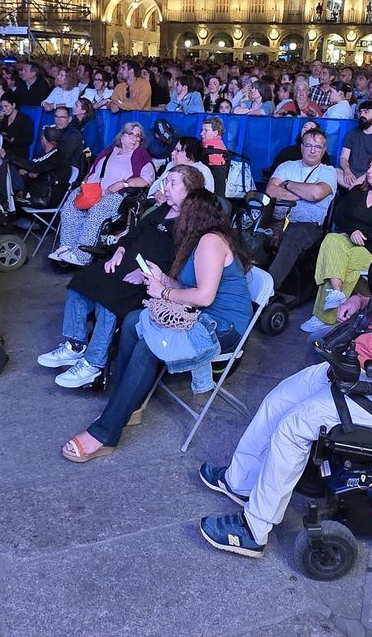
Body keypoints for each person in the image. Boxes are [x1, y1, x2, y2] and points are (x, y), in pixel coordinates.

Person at [196, 198, 372, 560]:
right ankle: (241, 482)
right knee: (279, 399)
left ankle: (255, 529)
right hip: (367, 371)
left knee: (294, 426)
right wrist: (363, 303)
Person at [62, 188, 252, 462]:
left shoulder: (210, 242)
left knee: (149, 347)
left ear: (194, 215)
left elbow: (204, 296)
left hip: (222, 327)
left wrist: (163, 293)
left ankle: (105, 433)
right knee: (131, 322)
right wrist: (162, 279)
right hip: (201, 314)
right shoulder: (196, 241)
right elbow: (190, 287)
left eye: (182, 213)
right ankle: (128, 404)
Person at [41, 164, 205, 389]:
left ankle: (93, 364)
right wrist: (118, 251)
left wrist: (146, 274)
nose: (165, 187)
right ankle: (74, 344)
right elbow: (133, 234)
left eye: (172, 183)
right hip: (125, 263)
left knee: (110, 299)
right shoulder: (160, 210)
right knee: (81, 282)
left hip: (149, 279)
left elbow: (179, 265)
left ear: (189, 191)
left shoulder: (189, 225)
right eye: (166, 181)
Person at [302, 153, 372, 332]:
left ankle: (325, 317)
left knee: (342, 260)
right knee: (332, 239)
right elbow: (339, 215)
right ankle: (337, 293)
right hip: (348, 240)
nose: (369, 171)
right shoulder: (359, 191)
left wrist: (363, 234)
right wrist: (352, 232)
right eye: (369, 166)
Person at [49, 122, 155, 267]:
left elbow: (146, 179)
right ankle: (66, 248)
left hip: (115, 196)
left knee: (96, 211)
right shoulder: (110, 150)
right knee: (70, 207)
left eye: (138, 136)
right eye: (131, 135)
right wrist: (85, 183)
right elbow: (93, 171)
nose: (135, 139)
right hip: (93, 190)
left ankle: (81, 256)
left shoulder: (141, 155)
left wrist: (122, 184)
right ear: (122, 136)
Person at [261, 126, 336, 288]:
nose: (313, 151)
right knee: (248, 230)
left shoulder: (328, 172)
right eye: (309, 145)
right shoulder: (287, 165)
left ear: (324, 151)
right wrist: (301, 194)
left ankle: (267, 290)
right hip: (277, 219)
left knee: (293, 237)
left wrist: (287, 184)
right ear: (302, 147)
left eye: (318, 147)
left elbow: (316, 194)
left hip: (308, 225)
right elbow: (271, 190)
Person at [10, 126, 71, 209]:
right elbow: (38, 166)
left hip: (47, 199)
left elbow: (35, 166)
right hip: (45, 193)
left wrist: (9, 157)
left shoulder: (55, 155)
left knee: (10, 199)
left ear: (44, 140)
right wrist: (30, 172)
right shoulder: (51, 153)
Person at [337, 100, 372, 189]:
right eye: (361, 112)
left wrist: (360, 181)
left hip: (370, 176)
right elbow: (343, 157)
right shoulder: (351, 133)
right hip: (351, 175)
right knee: (332, 171)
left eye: (366, 112)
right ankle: (355, 188)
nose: (362, 115)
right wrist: (347, 171)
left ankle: (354, 188)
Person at [0, 92, 34, 162]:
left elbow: (28, 139)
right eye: (2, 106)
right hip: (4, 152)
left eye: (6, 106)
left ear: (13, 105)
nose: (3, 109)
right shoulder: (3, 118)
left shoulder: (25, 120)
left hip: (18, 155)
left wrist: (12, 140)